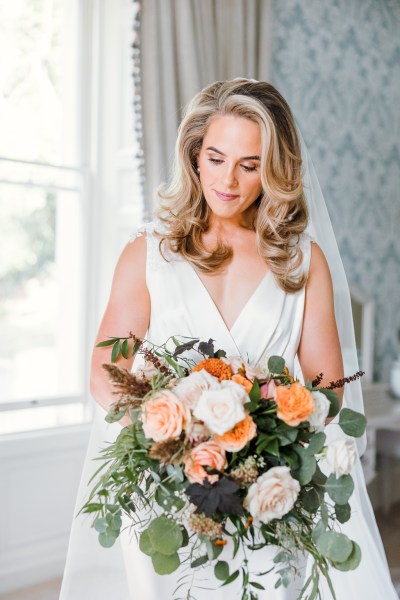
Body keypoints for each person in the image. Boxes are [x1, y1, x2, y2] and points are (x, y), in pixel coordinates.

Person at [59, 79, 398, 600]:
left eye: (249, 164)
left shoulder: (303, 263)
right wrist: (171, 439)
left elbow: (330, 390)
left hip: (268, 491)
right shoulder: (148, 253)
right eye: (216, 158)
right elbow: (106, 370)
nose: (228, 181)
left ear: (275, 170)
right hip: (164, 491)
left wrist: (267, 424)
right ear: (194, 154)